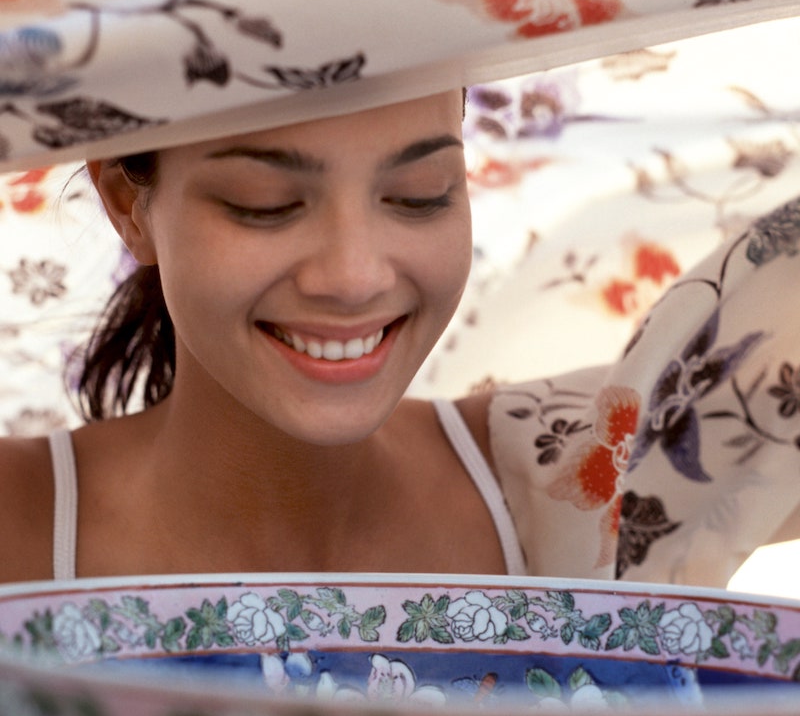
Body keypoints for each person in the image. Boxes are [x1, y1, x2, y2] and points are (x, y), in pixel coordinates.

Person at [0, 90, 523, 581]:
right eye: (264, 203)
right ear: (125, 206)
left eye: (419, 194)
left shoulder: (574, 475)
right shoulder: (14, 526)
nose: (353, 279)